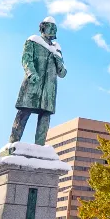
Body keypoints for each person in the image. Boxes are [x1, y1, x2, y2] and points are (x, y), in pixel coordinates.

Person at [9, 17, 67, 146]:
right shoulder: (33, 41)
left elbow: (62, 73)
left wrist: (58, 60)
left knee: (45, 116)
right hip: (33, 84)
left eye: (55, 28)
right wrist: (31, 73)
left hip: (49, 89)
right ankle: (12, 143)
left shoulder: (57, 49)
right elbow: (26, 59)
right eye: (50, 27)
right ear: (43, 27)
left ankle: (39, 148)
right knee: (24, 112)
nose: (52, 30)